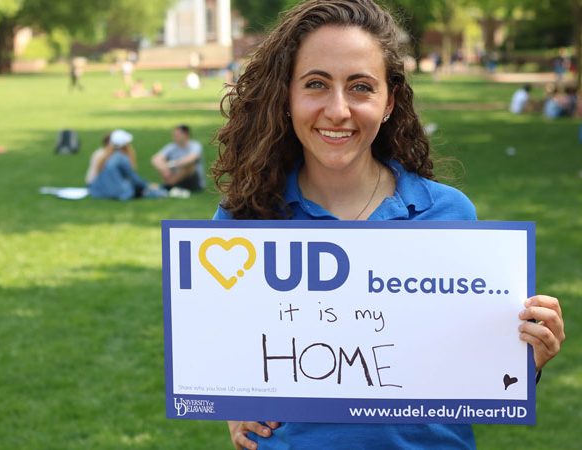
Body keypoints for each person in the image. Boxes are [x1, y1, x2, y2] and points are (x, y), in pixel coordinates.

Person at [210, 1, 566, 449]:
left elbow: (475, 373)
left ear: (388, 102)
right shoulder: (244, 220)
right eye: (316, 84)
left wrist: (525, 358)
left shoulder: (451, 215)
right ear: (286, 96)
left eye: (360, 87)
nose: (338, 110)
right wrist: (228, 401)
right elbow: (226, 350)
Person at [89, 129, 167, 200]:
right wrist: (149, 185)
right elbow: (134, 178)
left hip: (100, 192)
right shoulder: (121, 158)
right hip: (118, 192)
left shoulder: (105, 156)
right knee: (145, 190)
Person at [151, 124, 206, 192]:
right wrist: (164, 168)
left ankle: (168, 186)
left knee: (189, 165)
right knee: (161, 164)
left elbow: (191, 159)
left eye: (177, 135)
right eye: (174, 135)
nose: (175, 137)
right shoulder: (171, 147)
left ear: (186, 135)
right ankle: (170, 186)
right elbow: (155, 159)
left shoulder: (195, 145)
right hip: (175, 176)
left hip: (192, 180)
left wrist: (172, 164)